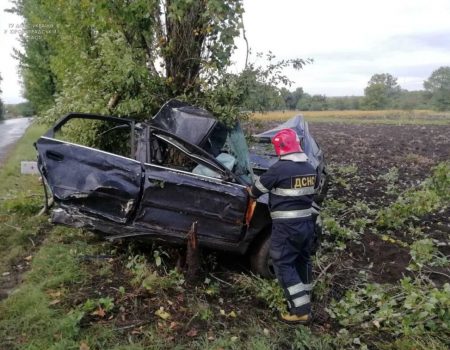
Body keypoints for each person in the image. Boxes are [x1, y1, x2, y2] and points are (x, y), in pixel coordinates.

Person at [248, 128, 317, 324]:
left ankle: (301, 311)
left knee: (283, 263)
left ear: (280, 148)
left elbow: (255, 191)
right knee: (302, 261)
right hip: (306, 225)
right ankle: (305, 299)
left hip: (287, 228)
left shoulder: (279, 169)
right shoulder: (309, 168)